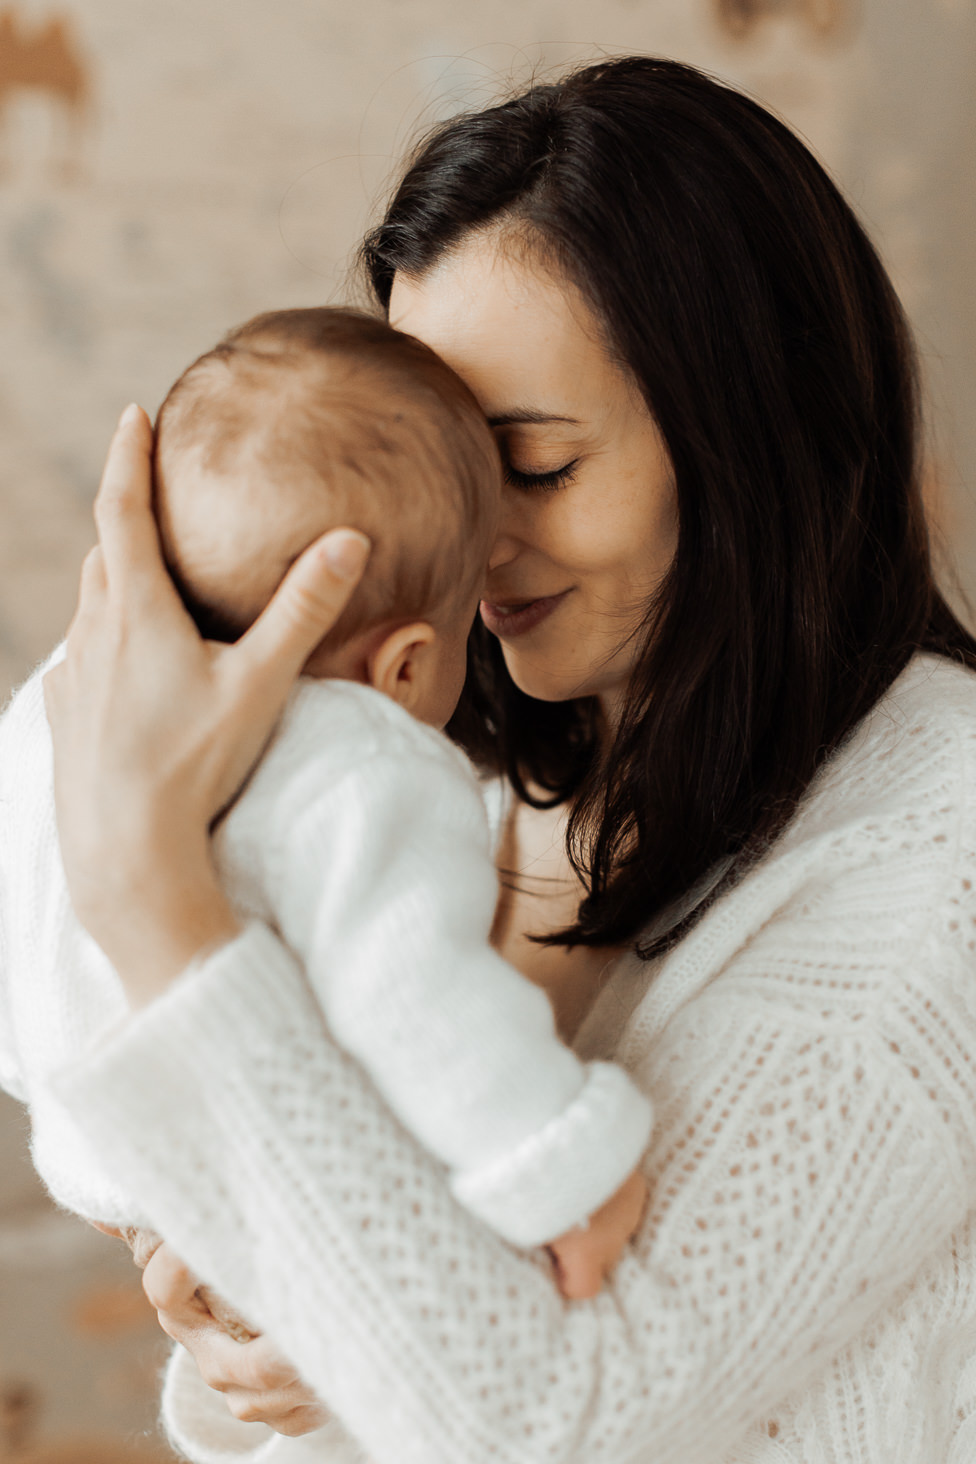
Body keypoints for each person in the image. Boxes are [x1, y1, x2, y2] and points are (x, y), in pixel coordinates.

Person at [39, 53, 976, 1464]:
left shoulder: (944, 859)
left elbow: (559, 1417)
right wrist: (244, 1319)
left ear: (750, 433)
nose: (470, 546)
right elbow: (378, 1331)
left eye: (531, 467)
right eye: (442, 473)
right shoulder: (443, 795)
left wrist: (148, 889)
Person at [0, 305, 652, 1344]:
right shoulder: (365, 767)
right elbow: (424, 1007)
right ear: (401, 666)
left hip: (87, 1141)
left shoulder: (63, 703)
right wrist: (564, 1176)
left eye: (532, 462)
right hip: (244, 1159)